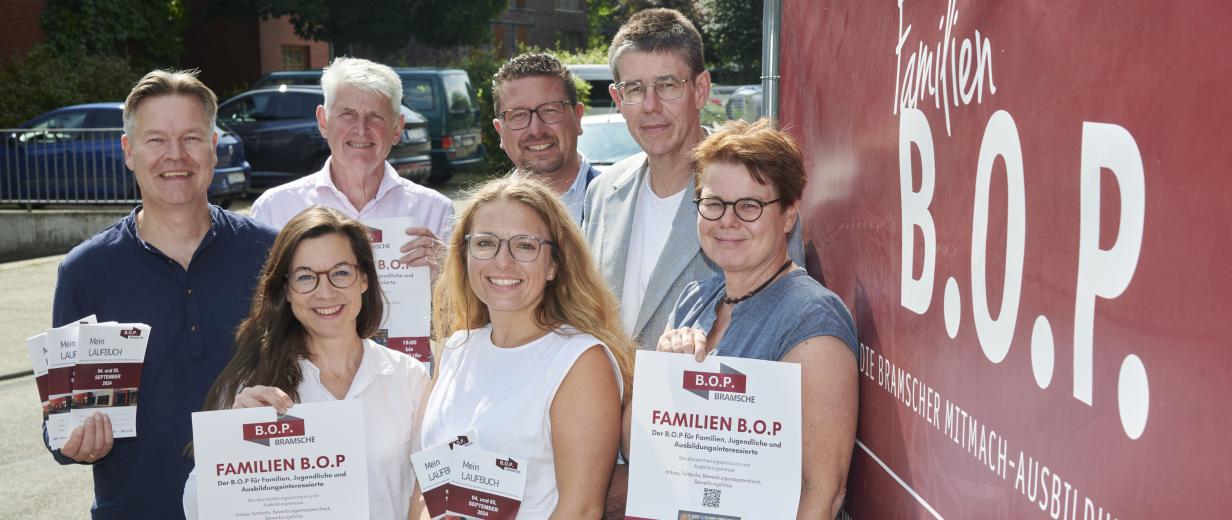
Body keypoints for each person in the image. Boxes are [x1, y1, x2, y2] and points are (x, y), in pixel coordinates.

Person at [48, 69, 278, 519]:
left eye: (192, 138)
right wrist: (74, 442)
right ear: (128, 152)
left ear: (213, 148)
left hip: (258, 507)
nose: (175, 155)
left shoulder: (271, 254)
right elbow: (60, 423)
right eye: (155, 140)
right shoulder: (84, 272)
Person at [656, 119, 859, 518]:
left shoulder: (810, 319)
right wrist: (663, 373)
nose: (727, 220)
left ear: (787, 215)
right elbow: (642, 445)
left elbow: (822, 492)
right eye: (714, 203)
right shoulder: (693, 301)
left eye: (749, 206)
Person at [182, 206, 431, 519]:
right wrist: (233, 437)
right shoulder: (251, 382)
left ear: (364, 279)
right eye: (305, 277)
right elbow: (195, 507)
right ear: (286, 290)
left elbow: (427, 491)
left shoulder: (408, 377)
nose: (325, 292)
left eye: (341, 272)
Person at [582, 8, 803, 348]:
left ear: (701, 89)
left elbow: (789, 324)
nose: (651, 105)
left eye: (668, 85)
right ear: (618, 99)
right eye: (635, 89)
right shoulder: (601, 192)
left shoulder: (758, 196)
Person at [422, 176, 632, 519]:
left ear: (554, 265)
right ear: (465, 255)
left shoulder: (579, 363)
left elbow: (579, 510)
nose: (502, 262)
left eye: (524, 246)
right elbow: (427, 487)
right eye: (486, 243)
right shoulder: (455, 350)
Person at [250, 56, 453, 277]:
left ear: (397, 128)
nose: (361, 129)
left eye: (376, 117)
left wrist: (447, 276)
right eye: (348, 114)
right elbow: (257, 304)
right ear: (323, 121)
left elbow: (458, 308)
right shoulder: (274, 210)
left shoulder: (436, 212)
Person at [492, 52, 599, 224]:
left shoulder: (622, 203)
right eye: (518, 115)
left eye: (550, 110)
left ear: (578, 118)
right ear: (500, 131)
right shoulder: (484, 219)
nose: (536, 130)